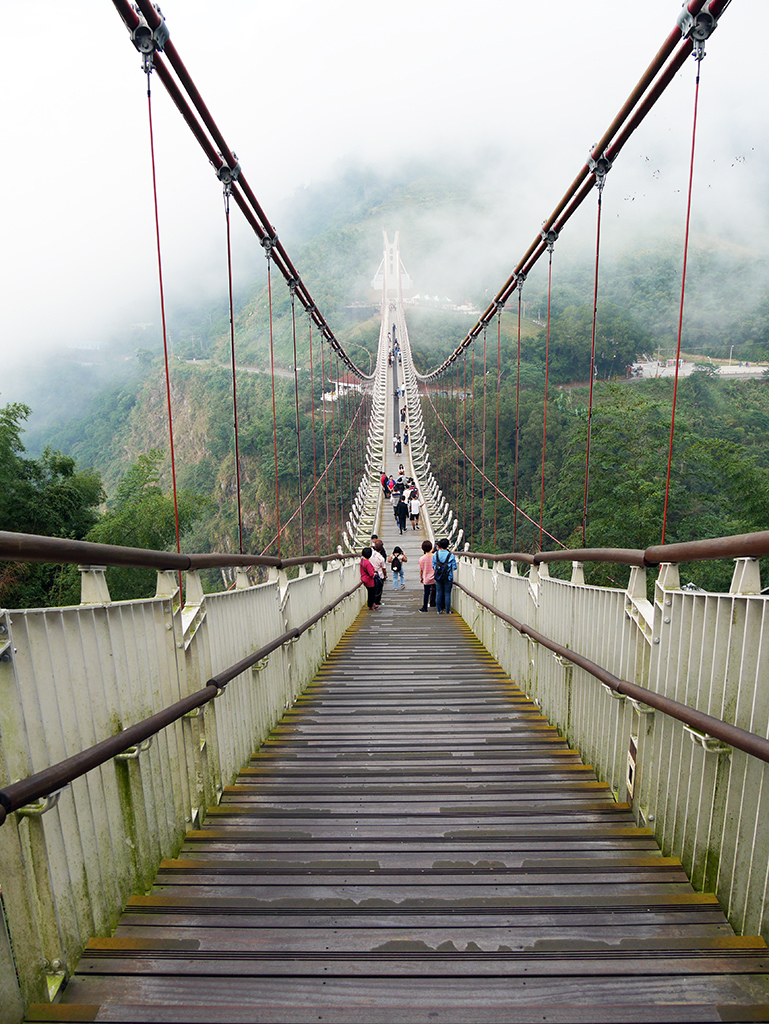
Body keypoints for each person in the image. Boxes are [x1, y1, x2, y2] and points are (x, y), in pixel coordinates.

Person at [433, 538, 458, 614]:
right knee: (447, 593)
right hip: (448, 577)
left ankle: (438, 610)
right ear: (447, 546)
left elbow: (433, 566)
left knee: (439, 592)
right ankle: (448, 610)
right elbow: (454, 567)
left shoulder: (435, 554)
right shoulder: (451, 555)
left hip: (438, 576)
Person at [419, 540, 436, 611]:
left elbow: (421, 570)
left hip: (426, 578)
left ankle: (424, 607)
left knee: (426, 593)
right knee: (436, 592)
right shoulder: (435, 556)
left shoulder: (422, 558)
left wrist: (421, 578)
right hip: (435, 578)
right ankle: (438, 607)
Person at [370, 542, 387, 606]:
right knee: (379, 589)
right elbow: (384, 568)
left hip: (372, 574)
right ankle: (377, 601)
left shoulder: (371, 554)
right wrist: (385, 575)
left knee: (373, 589)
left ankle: (373, 602)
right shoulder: (381, 558)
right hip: (379, 575)